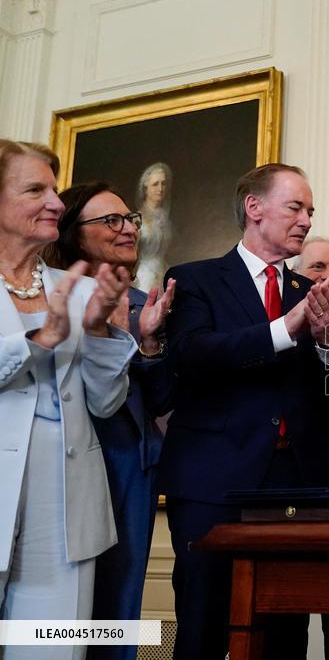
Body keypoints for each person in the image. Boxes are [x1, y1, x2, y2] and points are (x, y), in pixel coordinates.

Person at [161, 163, 329, 659]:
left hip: (293, 483)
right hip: (212, 481)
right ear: (254, 207)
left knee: (284, 632)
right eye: (295, 207)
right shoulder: (196, 279)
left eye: (311, 211)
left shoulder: (308, 293)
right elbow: (194, 355)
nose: (306, 220)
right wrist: (286, 329)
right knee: (203, 624)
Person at [0, 140, 136, 660]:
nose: (56, 202)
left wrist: (99, 328)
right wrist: (41, 341)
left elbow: (105, 404)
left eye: (55, 189)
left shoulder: (77, 290)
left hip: (66, 510)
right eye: (36, 189)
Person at [45, 182, 175, 660]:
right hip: (65, 461)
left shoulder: (148, 301)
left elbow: (162, 399)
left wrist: (149, 344)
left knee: (118, 605)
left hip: (130, 467)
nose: (127, 229)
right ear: (74, 235)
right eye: (111, 221)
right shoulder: (51, 295)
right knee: (56, 610)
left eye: (130, 220)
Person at [133, 162, 173, 292]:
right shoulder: (137, 218)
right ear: (146, 188)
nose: (160, 189)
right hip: (143, 276)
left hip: (163, 273)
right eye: (155, 184)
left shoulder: (165, 218)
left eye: (163, 183)